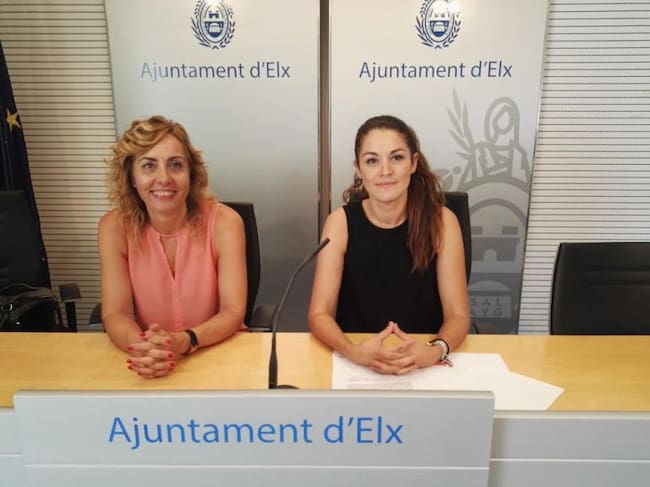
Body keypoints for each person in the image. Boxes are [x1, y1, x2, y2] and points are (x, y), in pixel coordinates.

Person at [308, 115, 470, 375]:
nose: (385, 171)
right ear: (358, 169)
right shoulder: (340, 223)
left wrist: (434, 351)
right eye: (372, 161)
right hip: (358, 360)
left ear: (413, 163)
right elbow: (319, 313)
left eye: (396, 158)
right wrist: (353, 351)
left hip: (424, 360)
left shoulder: (442, 221)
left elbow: (458, 315)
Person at [98, 115, 246, 378]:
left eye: (175, 165)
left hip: (217, 353)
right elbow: (115, 313)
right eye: (149, 166)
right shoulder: (114, 228)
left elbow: (233, 311)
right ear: (132, 176)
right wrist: (144, 347)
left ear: (191, 173)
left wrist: (187, 340)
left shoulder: (225, 223)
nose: (164, 178)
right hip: (151, 362)